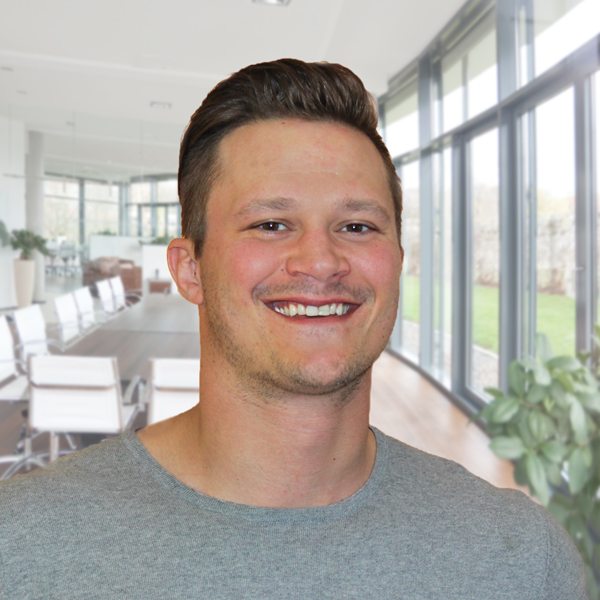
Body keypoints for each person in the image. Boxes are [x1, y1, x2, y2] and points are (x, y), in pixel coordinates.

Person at [0, 59, 588, 599]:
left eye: (357, 226)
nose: (321, 262)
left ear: (398, 260)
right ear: (190, 269)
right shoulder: (22, 544)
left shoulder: (520, 560)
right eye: (271, 224)